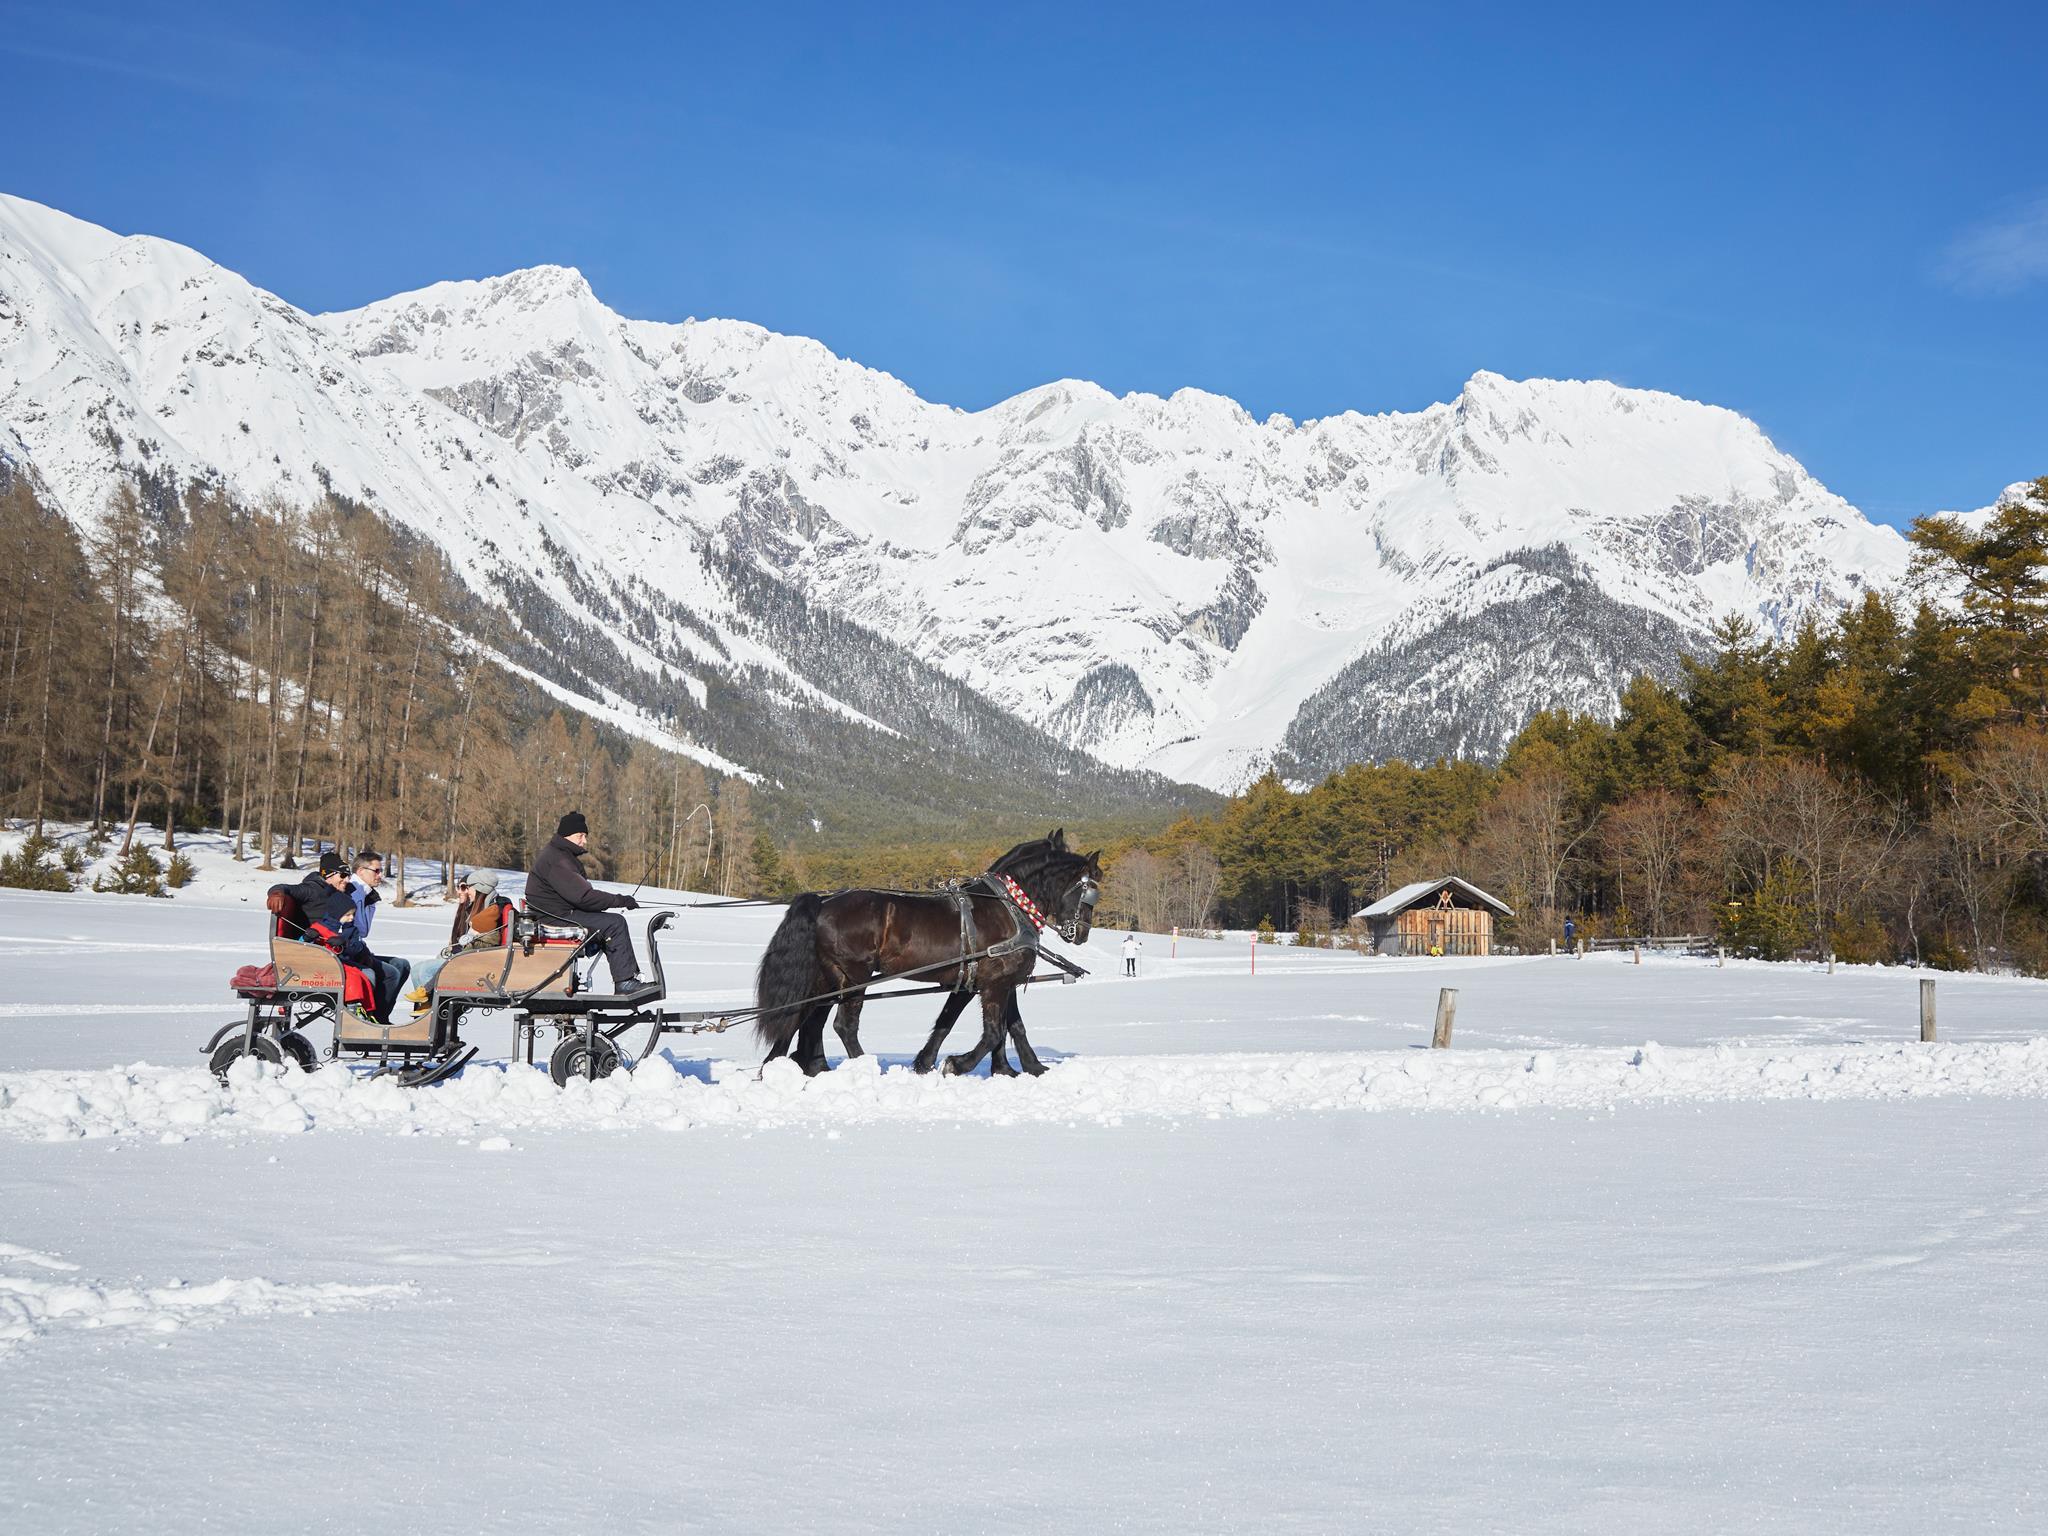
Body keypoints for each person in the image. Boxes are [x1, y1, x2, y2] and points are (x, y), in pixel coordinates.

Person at [525, 811, 642, 992]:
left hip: (558, 913)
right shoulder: (558, 859)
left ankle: (625, 979)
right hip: (555, 918)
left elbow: (580, 897)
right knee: (614, 923)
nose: (584, 841)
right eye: (581, 836)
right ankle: (625, 982)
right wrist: (620, 900)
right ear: (567, 835)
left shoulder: (558, 855)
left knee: (606, 921)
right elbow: (584, 897)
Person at [403, 869, 512, 1006]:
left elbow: (483, 944)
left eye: (467, 887)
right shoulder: (477, 908)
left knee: (426, 969)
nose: (464, 891)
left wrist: (457, 953)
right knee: (417, 969)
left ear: (478, 888)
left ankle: (431, 1012)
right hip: (466, 957)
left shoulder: (490, 911)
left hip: (476, 964)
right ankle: (424, 1011)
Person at [346, 848, 411, 1024]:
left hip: (358, 949)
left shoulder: (367, 894)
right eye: (376, 870)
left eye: (380, 871)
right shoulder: (351, 891)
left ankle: (382, 1017)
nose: (380, 875)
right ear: (360, 871)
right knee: (391, 973)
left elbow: (362, 931)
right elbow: (349, 930)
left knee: (402, 965)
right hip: (349, 951)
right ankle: (375, 1021)